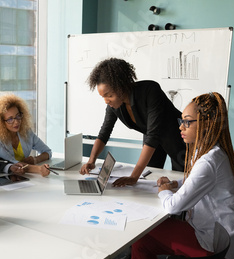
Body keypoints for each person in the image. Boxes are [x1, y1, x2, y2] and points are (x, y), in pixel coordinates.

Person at [110, 92, 234, 259]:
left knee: (143, 231)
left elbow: (173, 206)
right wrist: (176, 184)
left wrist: (164, 191)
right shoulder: (210, 151)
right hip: (220, 238)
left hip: (215, 249)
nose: (181, 127)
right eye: (181, 121)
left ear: (207, 124)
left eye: (188, 122)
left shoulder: (208, 161)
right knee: (143, 238)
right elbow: (199, 181)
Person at [80, 58, 186, 187]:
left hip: (177, 136)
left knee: (182, 179)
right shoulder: (114, 105)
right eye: (103, 97)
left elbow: (153, 135)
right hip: (151, 138)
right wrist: (91, 161)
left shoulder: (150, 90)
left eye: (109, 95)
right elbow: (104, 133)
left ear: (121, 87)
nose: (106, 101)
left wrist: (133, 177)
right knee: (150, 177)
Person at [0, 94, 51, 177]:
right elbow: (12, 163)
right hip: (4, 177)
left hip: (26, 176)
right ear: (0, 122)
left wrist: (35, 159)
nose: (17, 122)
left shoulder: (26, 132)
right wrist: (38, 169)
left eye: (18, 116)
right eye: (10, 119)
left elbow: (47, 152)